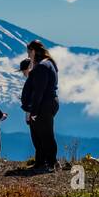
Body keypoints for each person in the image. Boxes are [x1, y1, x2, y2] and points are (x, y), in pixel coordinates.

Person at [20, 41, 59, 172]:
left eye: (28, 53)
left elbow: (39, 91)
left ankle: (51, 163)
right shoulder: (49, 63)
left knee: (45, 134)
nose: (28, 56)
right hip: (46, 104)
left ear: (33, 51)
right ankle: (40, 162)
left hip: (44, 105)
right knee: (38, 135)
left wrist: (34, 111)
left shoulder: (42, 66)